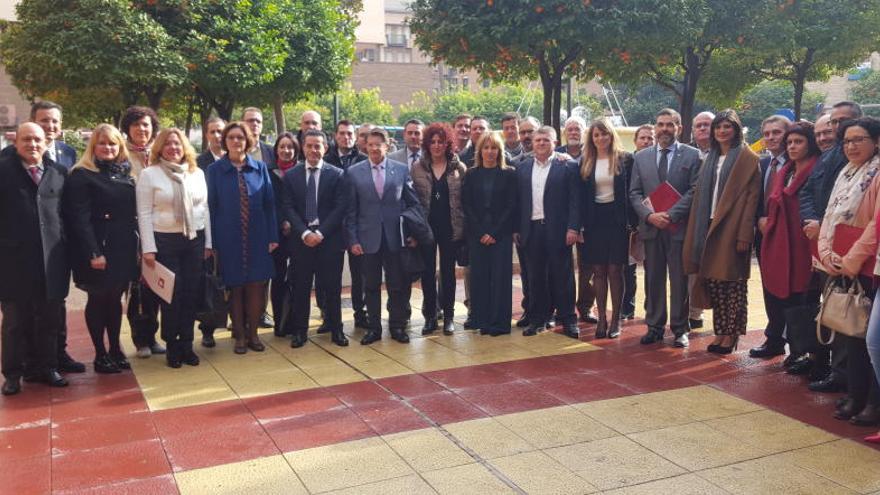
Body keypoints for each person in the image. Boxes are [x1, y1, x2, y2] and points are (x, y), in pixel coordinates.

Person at [0, 123, 70, 395]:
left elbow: (66, 217)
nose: (32, 144)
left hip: (51, 261)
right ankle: (13, 374)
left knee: (49, 319)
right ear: (16, 142)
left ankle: (49, 366)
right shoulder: (3, 172)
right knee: (15, 322)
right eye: (26, 139)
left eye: (37, 140)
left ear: (46, 142)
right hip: (12, 262)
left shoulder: (58, 172)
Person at [819, 117, 880, 426]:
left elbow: (874, 226)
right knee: (852, 334)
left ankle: (871, 401)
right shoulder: (846, 171)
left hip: (867, 265)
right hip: (841, 259)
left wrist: (851, 260)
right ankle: (855, 395)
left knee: (870, 337)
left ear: (876, 141)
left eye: (859, 139)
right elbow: (830, 215)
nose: (852, 146)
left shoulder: (877, 172)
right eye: (847, 141)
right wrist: (826, 253)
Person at [683, 110, 760, 354]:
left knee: (732, 284)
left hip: (731, 226)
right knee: (714, 282)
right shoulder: (711, 157)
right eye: (718, 127)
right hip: (708, 224)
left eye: (727, 127)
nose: (722, 131)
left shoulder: (748, 158)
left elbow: (751, 200)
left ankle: (731, 334)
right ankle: (720, 332)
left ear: (737, 129)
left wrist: (744, 235)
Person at [799, 101, 863, 393]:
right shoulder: (827, 157)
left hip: (851, 247)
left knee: (850, 309)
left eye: (842, 122)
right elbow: (808, 192)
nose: (836, 130)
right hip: (823, 244)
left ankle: (849, 376)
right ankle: (837, 371)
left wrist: (823, 226)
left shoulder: (865, 161)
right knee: (833, 307)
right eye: (833, 123)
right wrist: (812, 220)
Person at [65, 124, 138, 374]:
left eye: (113, 143)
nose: (108, 148)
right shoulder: (82, 174)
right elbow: (79, 219)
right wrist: (94, 252)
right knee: (98, 299)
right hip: (97, 249)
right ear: (93, 146)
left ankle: (116, 349)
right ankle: (100, 353)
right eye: (103, 143)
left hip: (123, 248)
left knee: (115, 300)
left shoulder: (124, 173)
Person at [137, 128, 211, 368]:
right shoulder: (150, 174)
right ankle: (172, 345)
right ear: (160, 148)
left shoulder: (196, 173)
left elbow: (204, 209)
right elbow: (144, 212)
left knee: (191, 293)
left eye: (177, 144)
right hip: (164, 241)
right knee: (172, 295)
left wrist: (208, 242)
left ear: (185, 147)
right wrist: (148, 248)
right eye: (168, 144)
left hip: (194, 239)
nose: (173, 148)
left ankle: (188, 344)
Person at [631, 108, 701, 348]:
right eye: (660, 124)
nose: (664, 129)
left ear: (679, 128)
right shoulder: (641, 157)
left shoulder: (693, 156)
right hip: (651, 228)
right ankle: (654, 326)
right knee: (653, 278)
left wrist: (671, 214)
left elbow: (695, 190)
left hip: (678, 228)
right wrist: (649, 216)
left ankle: (680, 329)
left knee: (679, 280)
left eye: (669, 125)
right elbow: (634, 193)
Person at [207, 122, 278, 355]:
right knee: (235, 287)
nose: (236, 142)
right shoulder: (215, 171)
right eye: (231, 138)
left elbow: (270, 205)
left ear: (247, 141)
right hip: (228, 236)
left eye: (240, 138)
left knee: (256, 285)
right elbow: (211, 207)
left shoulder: (260, 168)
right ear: (225, 142)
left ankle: (254, 334)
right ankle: (238, 334)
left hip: (257, 235)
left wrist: (272, 236)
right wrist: (213, 242)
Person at [345, 128, 421, 345]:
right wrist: (353, 239)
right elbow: (351, 210)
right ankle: (374, 328)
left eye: (379, 144)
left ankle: (397, 326)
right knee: (370, 285)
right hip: (367, 238)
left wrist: (411, 233)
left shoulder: (401, 169)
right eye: (370, 144)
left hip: (395, 237)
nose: (375, 148)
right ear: (365, 146)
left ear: (387, 146)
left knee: (396, 284)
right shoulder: (354, 172)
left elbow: (412, 203)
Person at [757, 124, 821, 374]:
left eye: (799, 142)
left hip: (805, 243)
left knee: (806, 298)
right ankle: (794, 348)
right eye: (790, 142)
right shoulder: (786, 170)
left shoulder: (817, 169)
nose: (793, 146)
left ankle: (809, 353)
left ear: (809, 144)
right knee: (784, 297)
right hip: (780, 241)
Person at [281, 130, 349, 348]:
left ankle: (336, 329)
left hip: (328, 240)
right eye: (309, 145)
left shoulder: (337, 174)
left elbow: (340, 208)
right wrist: (304, 232)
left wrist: (320, 233)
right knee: (301, 288)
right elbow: (288, 207)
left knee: (331, 288)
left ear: (325, 148)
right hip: (301, 241)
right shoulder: (291, 175)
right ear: (303, 147)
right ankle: (300, 332)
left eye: (318, 146)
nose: (313, 150)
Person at [514, 126, 580, 339]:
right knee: (535, 278)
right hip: (531, 229)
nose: (541, 143)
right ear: (532, 144)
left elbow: (575, 201)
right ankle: (537, 320)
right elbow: (518, 202)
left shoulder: (567, 165)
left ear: (554, 143)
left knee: (563, 276)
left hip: (558, 230)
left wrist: (573, 227)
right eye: (538, 140)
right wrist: (517, 228)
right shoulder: (522, 168)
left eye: (546, 140)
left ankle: (569, 320)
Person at [579, 119, 634, 339]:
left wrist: (633, 223)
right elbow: (582, 196)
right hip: (594, 222)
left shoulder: (625, 159)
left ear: (611, 135)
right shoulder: (586, 161)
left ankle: (616, 319)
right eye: (596, 135)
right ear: (591, 139)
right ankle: (601, 318)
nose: (601, 138)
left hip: (618, 220)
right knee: (599, 271)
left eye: (604, 134)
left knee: (615, 270)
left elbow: (632, 192)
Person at [410, 123, 467, 335]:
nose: (436, 145)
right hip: (426, 228)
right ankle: (431, 317)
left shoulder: (458, 168)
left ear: (447, 144)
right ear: (427, 144)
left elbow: (464, 202)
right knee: (427, 273)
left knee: (448, 273)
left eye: (441, 141)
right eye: (432, 141)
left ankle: (449, 317)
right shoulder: (417, 168)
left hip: (450, 228)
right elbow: (412, 201)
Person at [121, 105, 166, 359]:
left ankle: (153, 334)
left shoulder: (159, 155)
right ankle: (140, 339)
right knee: (136, 288)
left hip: (158, 230)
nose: (142, 129)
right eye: (136, 125)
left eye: (146, 125)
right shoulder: (121, 155)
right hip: (131, 231)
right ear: (128, 128)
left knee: (156, 286)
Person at [463, 132, 517, 336]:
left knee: (500, 279)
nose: (490, 152)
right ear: (480, 151)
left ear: (499, 151)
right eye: (486, 148)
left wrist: (493, 232)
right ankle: (482, 320)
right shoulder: (471, 174)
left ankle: (499, 323)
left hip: (500, 234)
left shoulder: (509, 173)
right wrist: (480, 232)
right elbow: (466, 205)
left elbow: (511, 206)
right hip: (477, 235)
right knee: (480, 278)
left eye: (494, 148)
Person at [751, 115, 794, 360]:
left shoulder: (797, 163)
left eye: (776, 132)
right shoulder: (764, 164)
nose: (770, 138)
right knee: (769, 288)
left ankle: (796, 344)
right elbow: (756, 198)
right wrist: (758, 219)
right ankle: (774, 338)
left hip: (788, 238)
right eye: (766, 133)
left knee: (790, 289)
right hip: (764, 234)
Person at [196, 118, 226, 347]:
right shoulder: (197, 164)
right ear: (207, 135)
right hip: (207, 232)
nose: (218, 136)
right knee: (209, 283)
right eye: (213, 132)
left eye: (221, 131)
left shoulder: (235, 160)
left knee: (232, 282)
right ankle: (208, 329)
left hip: (232, 230)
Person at [270, 132, 300, 337]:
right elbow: (268, 203)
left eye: (290, 147)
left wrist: (293, 222)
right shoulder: (268, 172)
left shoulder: (301, 172)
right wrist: (282, 221)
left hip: (299, 233)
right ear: (276, 149)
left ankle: (296, 323)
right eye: (282, 146)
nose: (286, 150)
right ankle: (279, 324)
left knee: (298, 279)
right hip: (276, 234)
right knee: (278, 280)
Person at [623, 124, 655, 320]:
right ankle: (627, 308)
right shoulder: (626, 161)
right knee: (628, 270)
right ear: (635, 141)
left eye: (650, 138)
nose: (646, 141)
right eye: (642, 138)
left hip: (653, 222)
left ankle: (651, 309)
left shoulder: (658, 161)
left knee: (652, 269)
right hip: (630, 225)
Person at [687, 111, 715, 329]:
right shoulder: (687, 154)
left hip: (716, 221)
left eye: (707, 125)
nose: (703, 129)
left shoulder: (727, 154)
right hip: (688, 221)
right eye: (699, 125)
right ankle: (693, 314)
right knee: (691, 269)